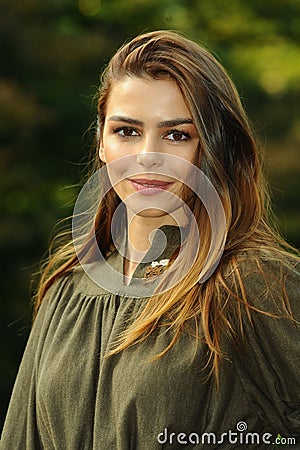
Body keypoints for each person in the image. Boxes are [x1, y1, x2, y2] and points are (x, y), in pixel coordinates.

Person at [1, 30, 299, 449]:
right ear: (102, 142)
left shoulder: (256, 284)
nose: (148, 155)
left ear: (211, 149)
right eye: (126, 131)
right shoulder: (67, 289)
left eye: (177, 135)